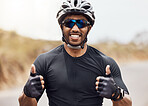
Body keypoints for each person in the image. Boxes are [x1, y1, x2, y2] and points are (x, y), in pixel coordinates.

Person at [18, 0, 132, 106]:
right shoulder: (44, 61)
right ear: (61, 26)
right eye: (69, 23)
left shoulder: (105, 63)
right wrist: (27, 94)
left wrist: (116, 93)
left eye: (81, 23)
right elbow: (24, 103)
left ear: (89, 28)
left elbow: (128, 103)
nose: (75, 29)